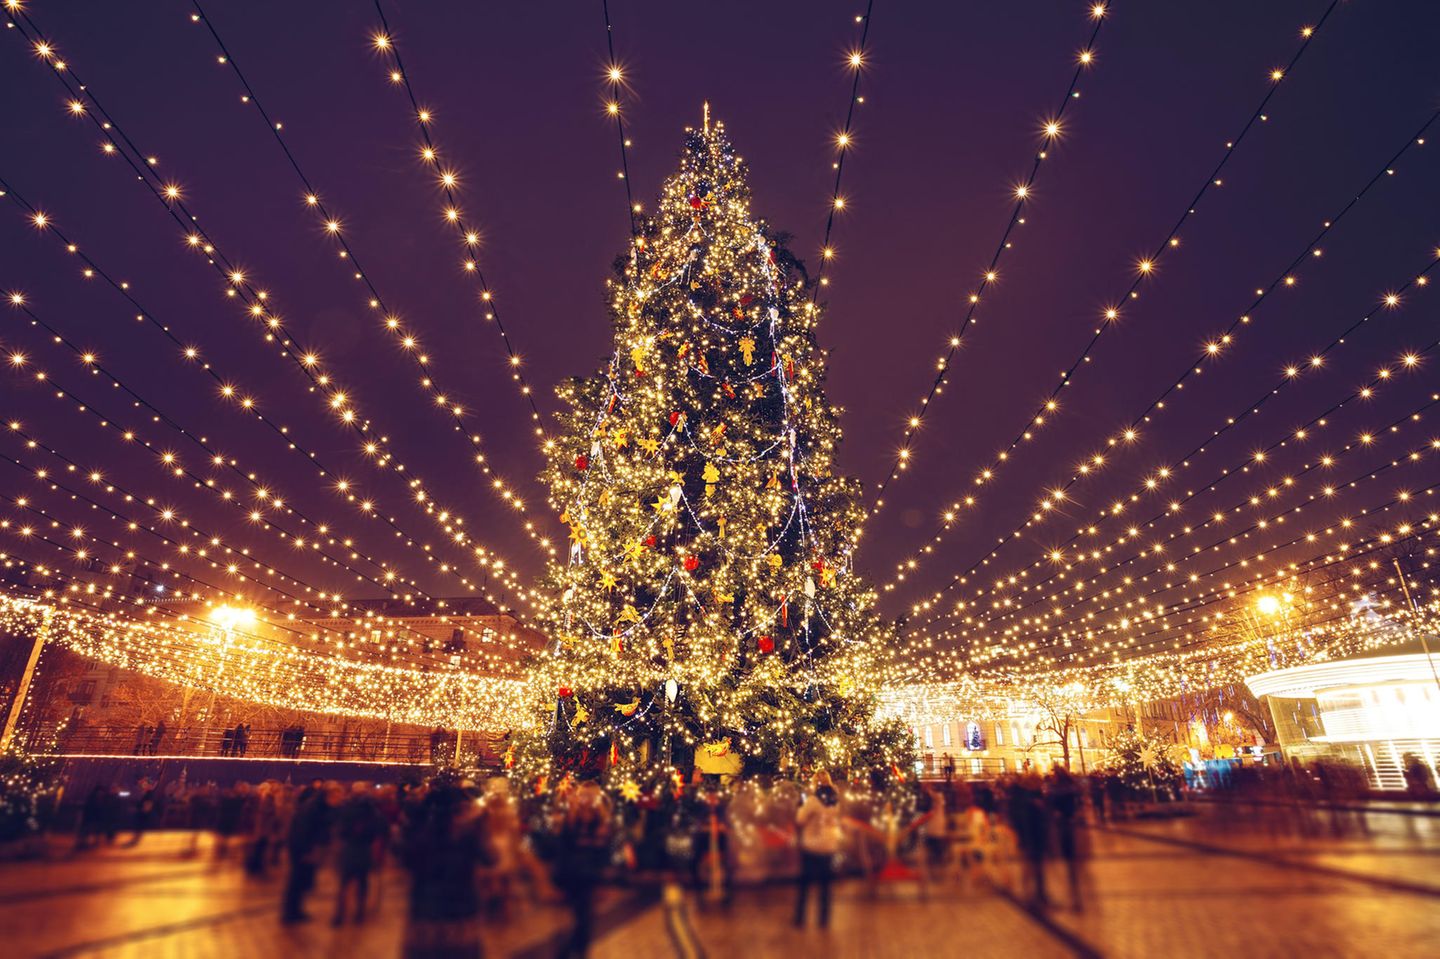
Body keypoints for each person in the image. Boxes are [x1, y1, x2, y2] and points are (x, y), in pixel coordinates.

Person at [401, 782, 491, 958]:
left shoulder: (420, 835)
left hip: (426, 909)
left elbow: (408, 862)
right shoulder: (467, 837)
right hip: (459, 909)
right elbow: (489, 858)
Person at [554, 780, 612, 957]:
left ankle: (577, 951)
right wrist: (558, 882)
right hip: (572, 876)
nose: (587, 800)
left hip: (591, 878)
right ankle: (569, 951)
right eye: (584, 796)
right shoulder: (571, 821)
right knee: (573, 919)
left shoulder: (601, 822)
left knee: (584, 919)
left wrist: (604, 881)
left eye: (591, 796)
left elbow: (604, 853)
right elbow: (562, 850)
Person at [333, 783, 387, 925]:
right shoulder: (372, 809)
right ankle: (358, 913)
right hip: (362, 847)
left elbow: (340, 828)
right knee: (361, 881)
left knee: (346, 882)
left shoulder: (345, 808)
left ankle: (341, 914)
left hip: (351, 847)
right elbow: (378, 828)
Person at [281, 783, 336, 923]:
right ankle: (290, 913)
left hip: (305, 848)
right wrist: (305, 850)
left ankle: (296, 910)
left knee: (301, 881)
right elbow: (303, 831)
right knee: (297, 881)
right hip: (302, 849)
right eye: (336, 796)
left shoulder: (320, 807)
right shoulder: (312, 809)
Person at [794, 782, 843, 928]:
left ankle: (800, 918)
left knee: (805, 884)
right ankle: (824, 919)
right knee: (825, 885)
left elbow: (800, 819)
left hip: (812, 846)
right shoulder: (835, 804)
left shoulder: (812, 802)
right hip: (829, 846)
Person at [1048, 766, 1085, 910]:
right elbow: (1078, 804)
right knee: (1074, 865)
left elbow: (1052, 807)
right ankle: (1076, 897)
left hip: (1063, 826)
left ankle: (1074, 898)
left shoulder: (1056, 790)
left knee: (1069, 864)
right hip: (1071, 826)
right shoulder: (1072, 787)